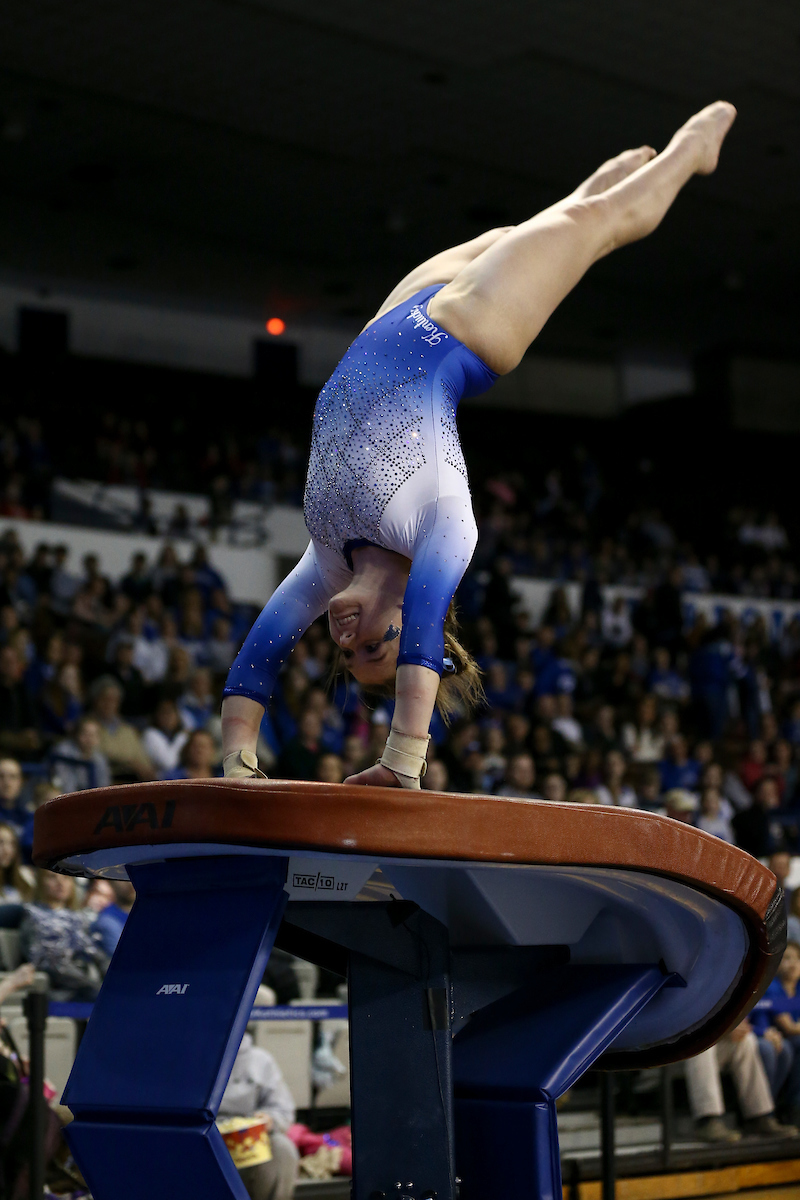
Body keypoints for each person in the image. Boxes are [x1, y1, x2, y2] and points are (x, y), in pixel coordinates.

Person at [220, 102, 738, 788]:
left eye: (348, 655)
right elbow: (425, 633)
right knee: (595, 227)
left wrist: (237, 762)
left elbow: (261, 650)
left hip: (391, 321)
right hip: (468, 331)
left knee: (514, 235)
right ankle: (689, 153)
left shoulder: (328, 558)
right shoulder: (442, 530)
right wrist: (403, 763)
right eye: (374, 647)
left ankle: (597, 182)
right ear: (409, 624)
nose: (346, 640)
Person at [217, 1025, 299, 1200]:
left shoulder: (261, 1060)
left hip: (248, 1141)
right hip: (204, 1138)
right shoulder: (189, 1057)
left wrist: (269, 1119)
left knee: (282, 1148)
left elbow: (282, 1109)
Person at [19, 870, 109, 1001]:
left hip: (84, 982)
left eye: (66, 878)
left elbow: (95, 953)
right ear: (40, 882)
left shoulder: (77, 918)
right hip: (56, 988)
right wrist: (93, 987)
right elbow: (50, 963)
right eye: (52, 877)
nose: (60, 883)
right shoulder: (33, 916)